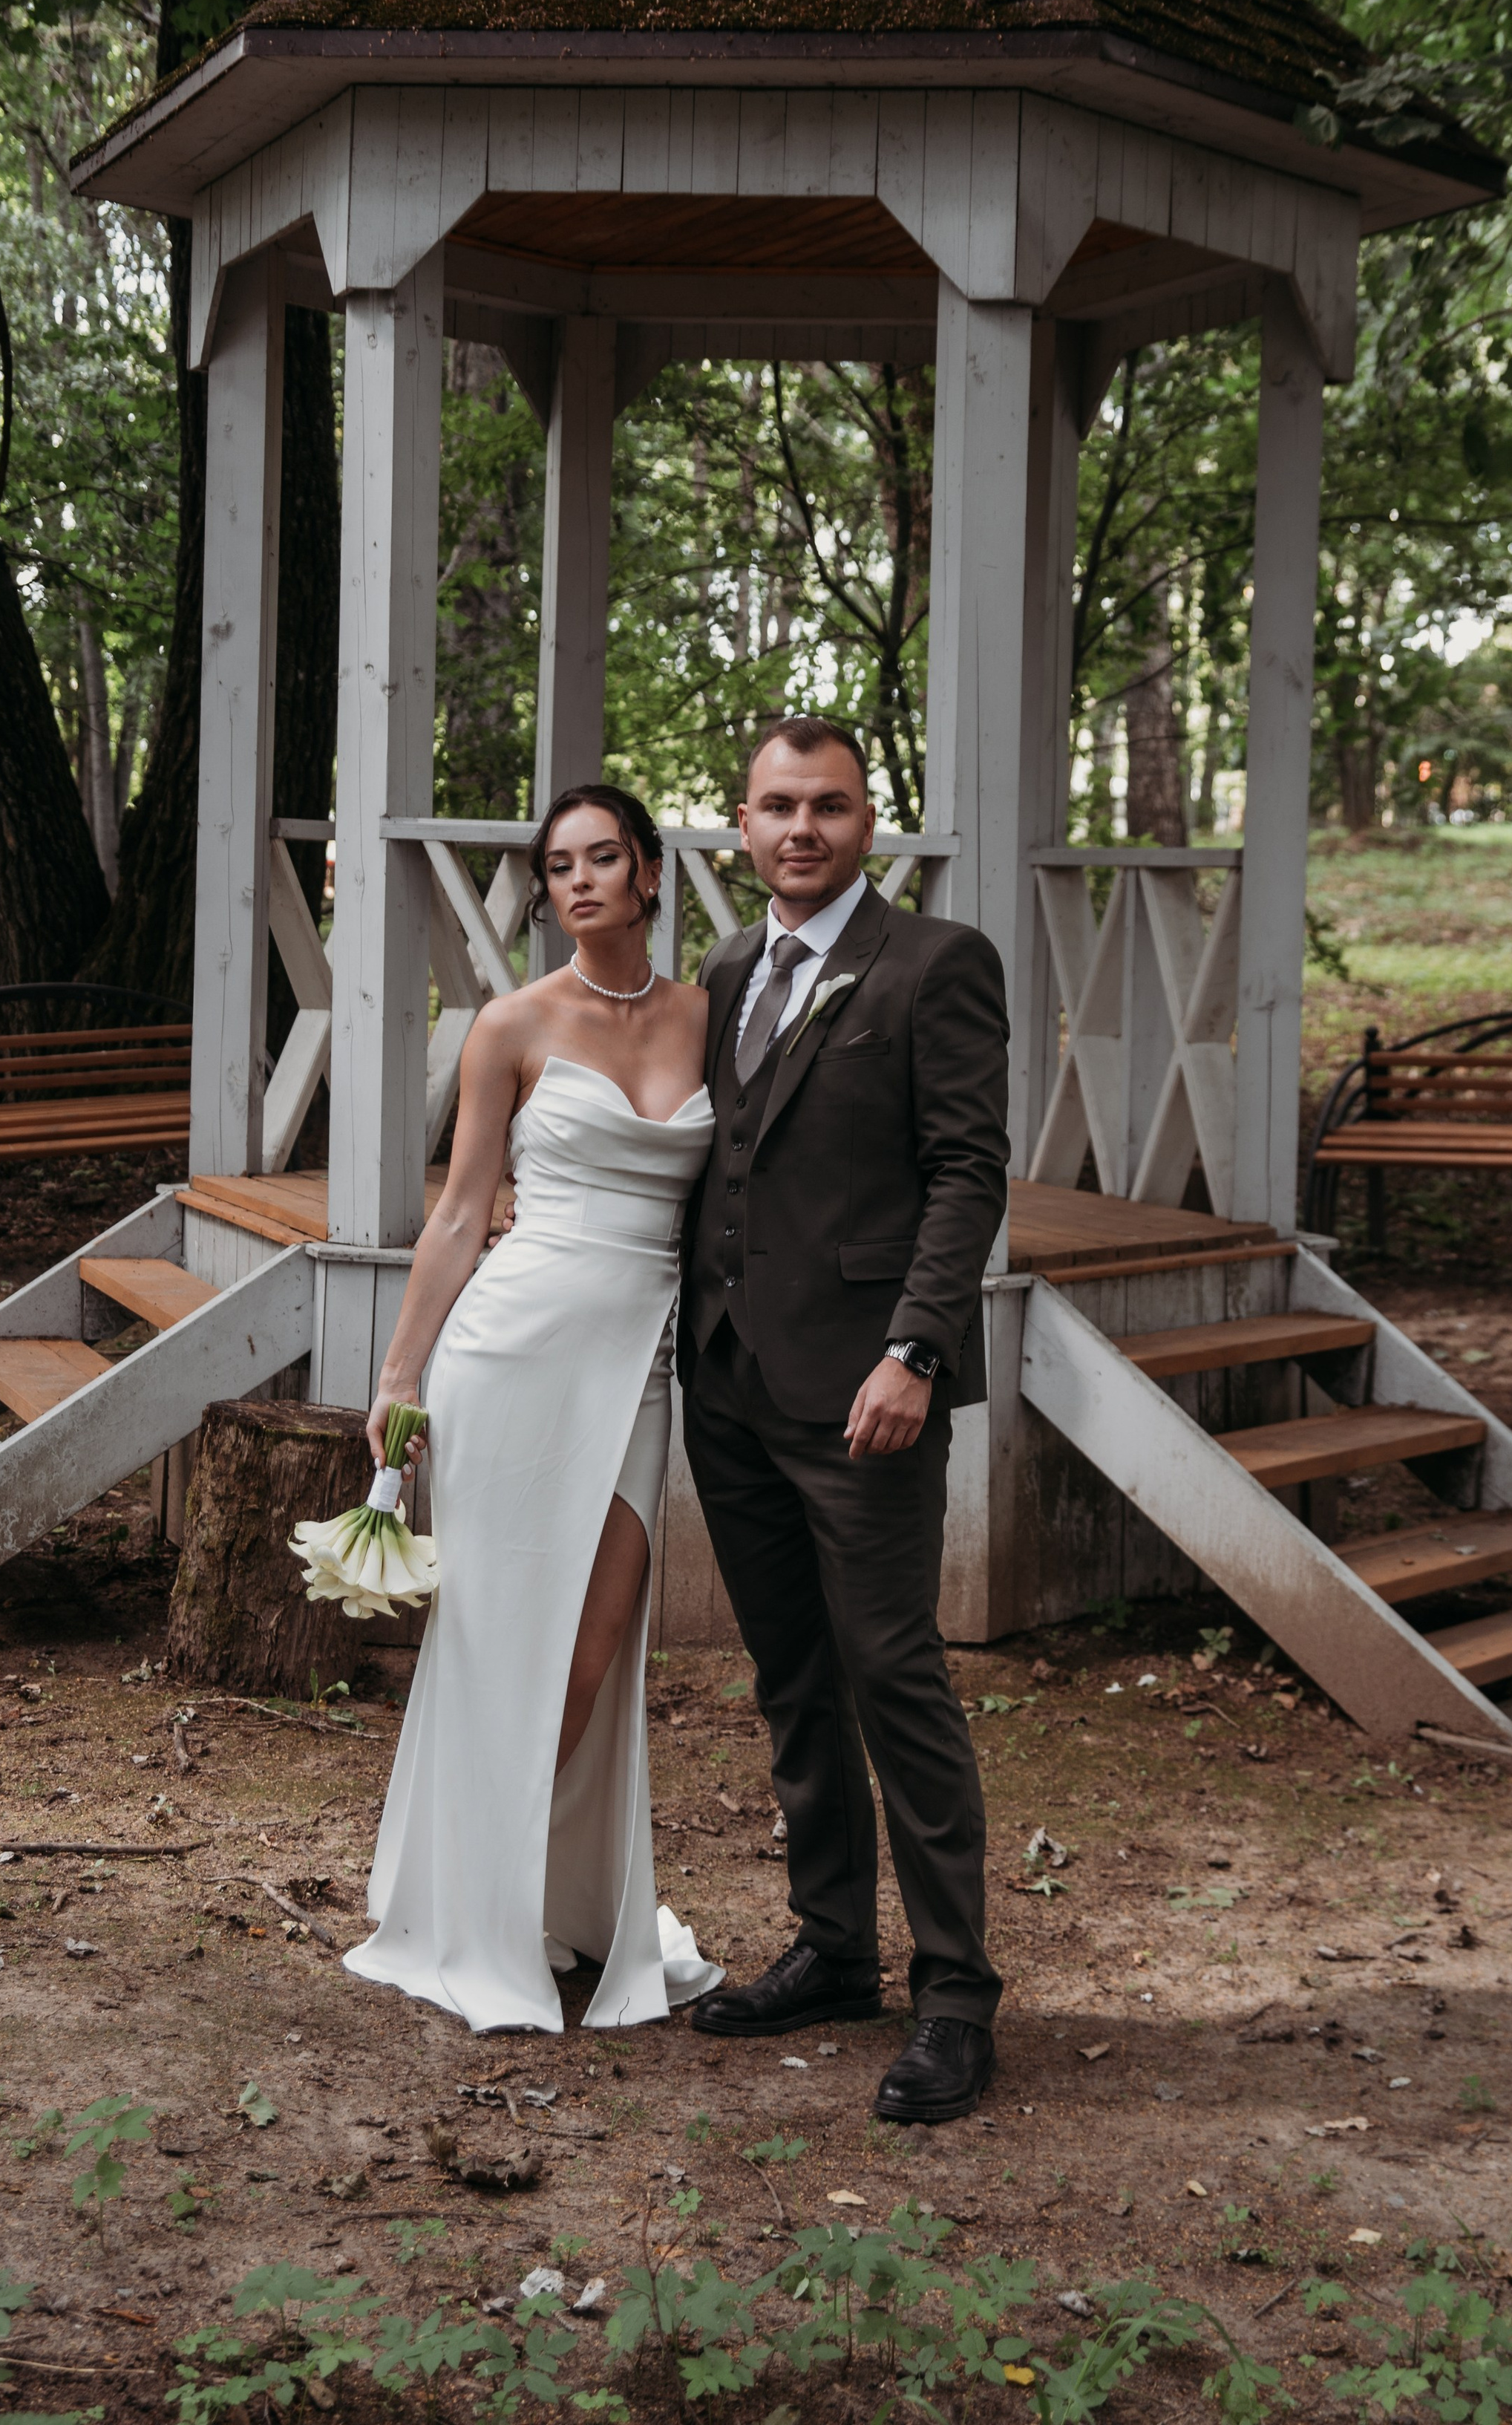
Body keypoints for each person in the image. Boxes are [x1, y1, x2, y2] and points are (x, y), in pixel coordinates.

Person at [344, 784, 723, 2034]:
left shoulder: (712, 1018)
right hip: (508, 1356)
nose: (580, 881)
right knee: (496, 1644)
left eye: (603, 858)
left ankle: (534, 1891)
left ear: (651, 873)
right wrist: (400, 1375)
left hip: (639, 1365)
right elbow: (460, 1212)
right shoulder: (508, 1024)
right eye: (558, 865)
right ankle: (470, 1910)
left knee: (594, 1655)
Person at [679, 714, 1011, 2124]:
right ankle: (832, 1946)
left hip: (870, 1393)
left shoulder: (938, 963)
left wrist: (917, 1352)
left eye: (828, 806)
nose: (800, 829)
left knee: (895, 1676)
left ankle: (955, 1997)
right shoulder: (728, 967)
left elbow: (968, 1170)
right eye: (776, 807)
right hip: (731, 1383)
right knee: (791, 1678)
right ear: (740, 827)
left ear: (872, 819)